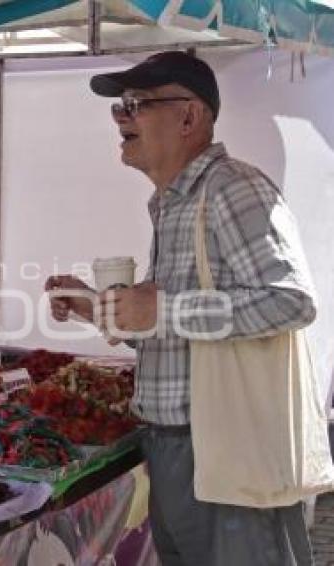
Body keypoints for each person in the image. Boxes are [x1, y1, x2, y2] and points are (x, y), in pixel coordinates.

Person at [46, 51, 317, 565]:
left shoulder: (233, 189)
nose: (122, 118)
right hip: (175, 449)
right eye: (119, 108)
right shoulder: (175, 202)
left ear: (188, 117)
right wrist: (97, 309)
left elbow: (292, 302)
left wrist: (164, 309)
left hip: (224, 450)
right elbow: (173, 328)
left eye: (136, 104)